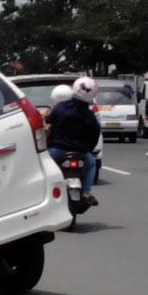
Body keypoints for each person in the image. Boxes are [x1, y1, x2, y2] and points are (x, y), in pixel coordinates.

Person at [45, 77, 101, 206]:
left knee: (44, 165)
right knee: (92, 163)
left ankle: (45, 191)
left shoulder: (60, 108)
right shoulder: (89, 115)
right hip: (81, 152)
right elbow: (95, 134)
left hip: (57, 150)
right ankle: (86, 193)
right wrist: (88, 149)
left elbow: (48, 123)